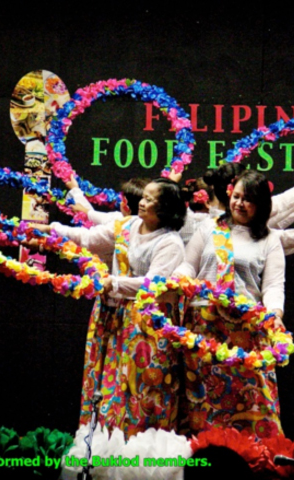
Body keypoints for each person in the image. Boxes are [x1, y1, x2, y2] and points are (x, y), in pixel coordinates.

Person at [33, 178, 187, 438]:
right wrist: (51, 230)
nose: (142, 202)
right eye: (143, 197)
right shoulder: (129, 225)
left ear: (165, 209)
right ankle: (103, 445)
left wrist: (113, 283)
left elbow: (152, 285)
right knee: (108, 386)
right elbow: (88, 239)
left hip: (147, 324)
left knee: (141, 388)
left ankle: (140, 450)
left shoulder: (170, 243)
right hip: (114, 316)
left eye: (150, 200)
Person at [174, 169, 286, 438]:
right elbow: (189, 265)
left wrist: (275, 314)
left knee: (249, 396)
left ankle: (250, 455)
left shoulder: (270, 239)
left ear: (261, 204)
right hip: (203, 324)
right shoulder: (209, 227)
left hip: (245, 329)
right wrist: (176, 280)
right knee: (200, 394)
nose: (239, 203)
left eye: (248, 199)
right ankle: (201, 452)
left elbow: (272, 286)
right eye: (236, 196)